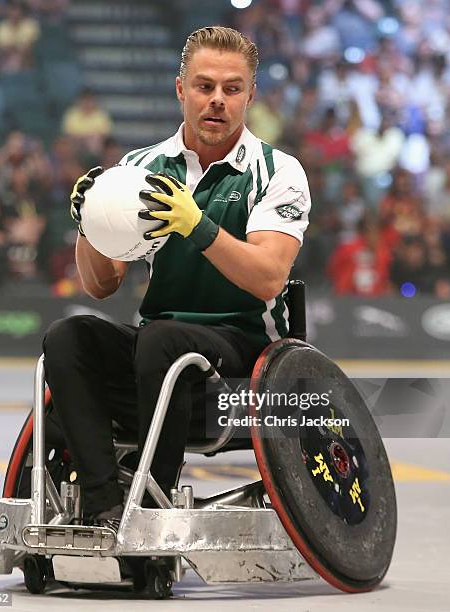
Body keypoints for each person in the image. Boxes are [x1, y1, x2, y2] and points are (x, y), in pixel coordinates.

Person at [43, 26, 312, 531]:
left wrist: (197, 225)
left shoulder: (278, 171)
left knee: (162, 339)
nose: (217, 101)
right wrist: (88, 226)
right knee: (68, 335)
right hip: (157, 360)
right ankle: (103, 503)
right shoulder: (139, 169)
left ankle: (151, 505)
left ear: (250, 96)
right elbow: (102, 284)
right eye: (204, 86)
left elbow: (268, 279)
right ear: (180, 89)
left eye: (232, 89)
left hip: (241, 370)